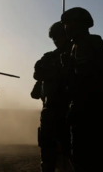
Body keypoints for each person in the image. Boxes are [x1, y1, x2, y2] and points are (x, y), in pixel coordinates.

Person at [61, 7, 103, 171]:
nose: (66, 29)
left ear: (79, 25)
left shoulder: (92, 44)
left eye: (68, 24)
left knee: (89, 159)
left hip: (90, 111)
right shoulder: (74, 48)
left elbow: (92, 78)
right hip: (80, 109)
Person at [31, 22, 73, 172]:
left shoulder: (77, 54)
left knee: (72, 154)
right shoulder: (49, 58)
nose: (57, 40)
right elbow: (37, 78)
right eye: (54, 37)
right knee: (48, 155)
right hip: (50, 113)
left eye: (59, 36)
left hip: (70, 111)